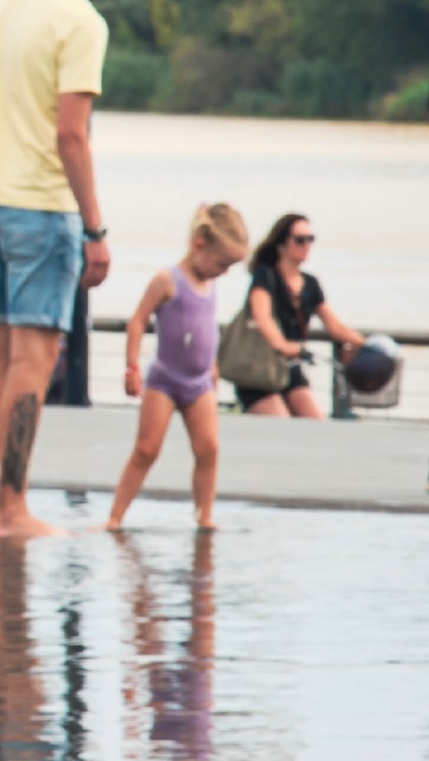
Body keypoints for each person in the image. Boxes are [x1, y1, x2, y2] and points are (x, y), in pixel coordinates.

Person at [0, 0, 150, 538]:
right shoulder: (82, 22)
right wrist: (96, 231)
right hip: (42, 208)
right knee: (33, 364)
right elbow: (73, 135)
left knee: (2, 356)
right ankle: (11, 508)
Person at [105, 203, 250, 531]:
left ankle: (204, 515)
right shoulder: (168, 280)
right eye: (221, 263)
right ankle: (115, 517)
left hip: (199, 383)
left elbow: (205, 328)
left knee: (208, 449)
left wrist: (212, 365)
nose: (223, 272)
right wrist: (131, 367)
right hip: (165, 380)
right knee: (146, 449)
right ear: (199, 245)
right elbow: (138, 321)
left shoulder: (210, 284)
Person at [238, 212, 366, 418]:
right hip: (259, 369)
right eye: (299, 240)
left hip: (290, 369)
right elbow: (262, 316)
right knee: (281, 424)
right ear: (282, 244)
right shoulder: (265, 275)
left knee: (316, 424)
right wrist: (282, 345)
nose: (306, 245)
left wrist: (361, 343)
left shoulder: (310, 284)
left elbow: (333, 325)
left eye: (310, 239)